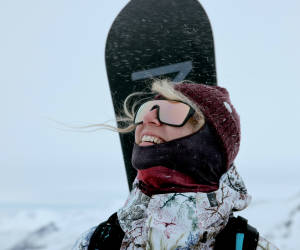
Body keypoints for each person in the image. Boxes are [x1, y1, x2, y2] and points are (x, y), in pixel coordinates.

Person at [73, 79, 279, 250]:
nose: (148, 118)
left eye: (170, 111)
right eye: (146, 109)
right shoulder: (97, 242)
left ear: (210, 141)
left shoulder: (248, 246)